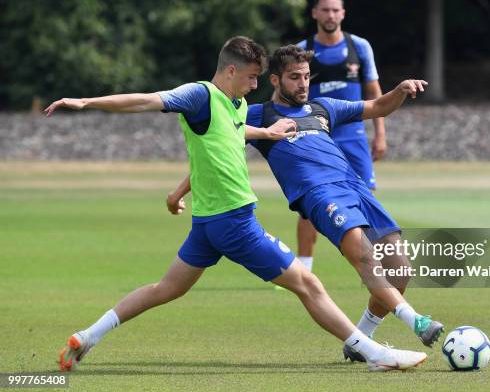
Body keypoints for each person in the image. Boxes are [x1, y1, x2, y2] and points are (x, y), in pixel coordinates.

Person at [44, 36, 427, 373]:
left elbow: (233, 137)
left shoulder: (237, 107)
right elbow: (146, 100)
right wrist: (85, 101)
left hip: (206, 224)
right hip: (234, 221)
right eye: (252, 78)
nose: (256, 85)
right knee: (308, 284)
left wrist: (184, 189)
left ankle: (87, 336)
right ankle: (373, 351)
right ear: (230, 71)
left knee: (166, 288)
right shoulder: (201, 95)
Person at [167, 45, 444, 364]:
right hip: (320, 196)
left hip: (356, 189)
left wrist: (400, 90)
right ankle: (417, 322)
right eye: (294, 77)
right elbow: (214, 155)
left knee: (400, 268)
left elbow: (379, 106)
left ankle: (361, 338)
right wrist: (179, 192)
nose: (303, 84)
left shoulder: (324, 107)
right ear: (274, 80)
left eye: (307, 77)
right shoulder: (257, 115)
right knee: (365, 258)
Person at [293, 0, 386, 274]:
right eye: (325, 10)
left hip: (354, 138)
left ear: (343, 14)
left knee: (366, 199)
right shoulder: (302, 50)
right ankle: (304, 268)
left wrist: (380, 133)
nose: (330, 15)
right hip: (317, 138)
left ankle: (378, 265)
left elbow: (374, 93)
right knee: (310, 204)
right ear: (315, 13)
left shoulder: (359, 47)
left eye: (335, 10)